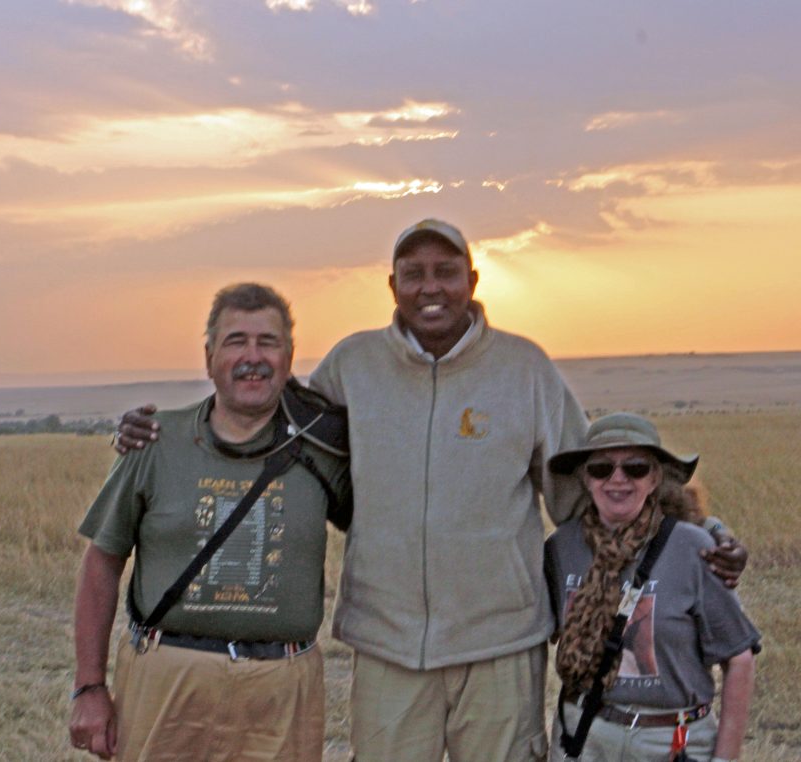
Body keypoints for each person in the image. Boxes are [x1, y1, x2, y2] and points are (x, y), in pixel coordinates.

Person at [115, 220, 748, 761]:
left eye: (446, 271)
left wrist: (701, 534)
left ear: (473, 281)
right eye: (413, 273)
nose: (430, 287)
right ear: (392, 287)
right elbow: (262, 415)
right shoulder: (352, 365)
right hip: (387, 643)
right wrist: (163, 431)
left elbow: (598, 488)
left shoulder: (524, 368)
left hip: (500, 645)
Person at [69, 283, 351, 761]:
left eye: (268, 342)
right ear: (209, 357)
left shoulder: (326, 450)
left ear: (289, 357)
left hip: (281, 688)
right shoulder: (155, 441)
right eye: (236, 341)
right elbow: (102, 561)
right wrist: (89, 686)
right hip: (167, 679)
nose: (253, 357)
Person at [544, 413, 760, 762]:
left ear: (655, 478)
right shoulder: (562, 548)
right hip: (584, 735)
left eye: (635, 468)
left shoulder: (694, 547)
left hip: (670, 742)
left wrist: (724, 759)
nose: (618, 479)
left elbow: (739, 658)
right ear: (585, 478)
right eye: (601, 468)